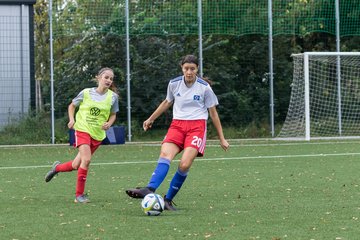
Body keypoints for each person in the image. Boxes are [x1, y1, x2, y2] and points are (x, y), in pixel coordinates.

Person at [125, 55, 229, 210]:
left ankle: (168, 200)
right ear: (182, 68)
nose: (189, 72)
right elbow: (167, 102)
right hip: (177, 126)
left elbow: (213, 114)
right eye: (186, 68)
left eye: (192, 69)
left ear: (197, 69)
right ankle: (150, 188)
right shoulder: (174, 84)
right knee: (165, 155)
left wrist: (222, 138)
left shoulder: (204, 87)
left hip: (197, 127)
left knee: (184, 164)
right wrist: (151, 118)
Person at [45, 67, 119, 203]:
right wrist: (72, 119)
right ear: (98, 78)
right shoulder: (86, 93)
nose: (109, 80)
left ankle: (57, 168)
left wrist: (109, 123)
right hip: (82, 129)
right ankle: (79, 195)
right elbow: (72, 106)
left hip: (97, 135)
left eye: (111, 78)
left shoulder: (113, 97)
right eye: (106, 77)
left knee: (75, 165)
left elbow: (113, 115)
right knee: (86, 160)